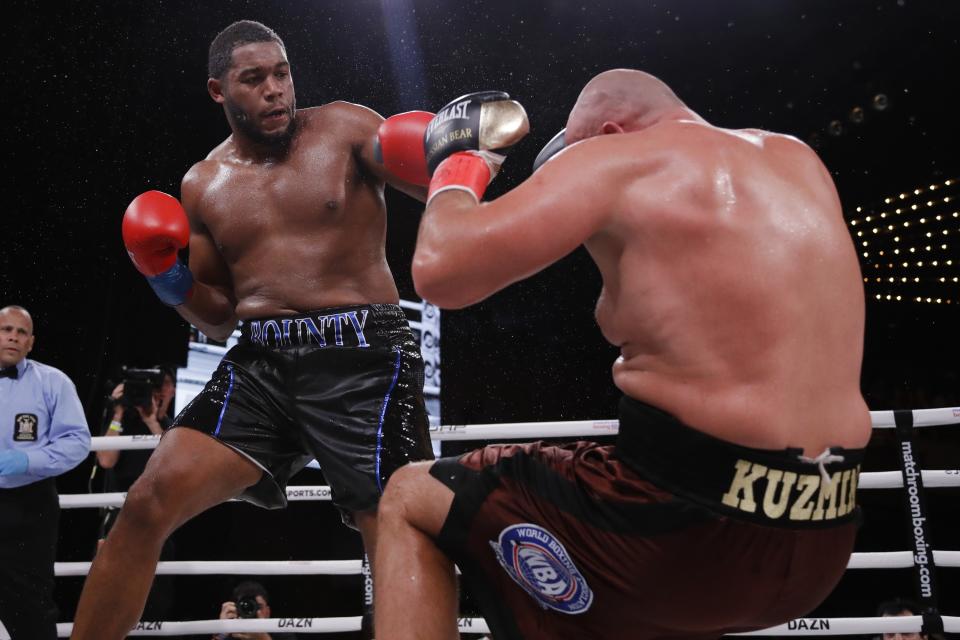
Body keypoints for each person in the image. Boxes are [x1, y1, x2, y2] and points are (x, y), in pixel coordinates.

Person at [373, 70, 873, 639]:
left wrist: (458, 162)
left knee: (411, 498)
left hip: (681, 532)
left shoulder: (622, 158)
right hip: (824, 538)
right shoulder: (798, 160)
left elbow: (442, 270)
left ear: (611, 130)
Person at [71, 20, 435, 639]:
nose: (275, 90)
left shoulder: (347, 126)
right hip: (260, 365)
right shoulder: (203, 184)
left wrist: (452, 149)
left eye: (282, 73)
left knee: (395, 530)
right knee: (145, 503)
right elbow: (215, 316)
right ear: (219, 91)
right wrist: (164, 274)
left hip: (364, 357)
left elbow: (432, 181)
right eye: (254, 78)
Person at [0, 305, 91, 639]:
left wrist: (28, 460)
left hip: (29, 504)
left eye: (21, 332)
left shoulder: (53, 382)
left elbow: (78, 442)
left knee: (29, 602)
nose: (13, 336)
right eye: (6, 329)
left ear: (31, 342)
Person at [95, 366, 178, 620]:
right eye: (152, 389)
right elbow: (106, 460)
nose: (155, 394)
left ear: (171, 392)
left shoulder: (173, 428)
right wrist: (117, 411)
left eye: (162, 387)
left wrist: (152, 420)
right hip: (119, 517)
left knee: (154, 599)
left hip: (158, 519)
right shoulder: (121, 423)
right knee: (108, 598)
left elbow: (175, 462)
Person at [213, 580, 295, 640]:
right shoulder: (230, 635)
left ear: (268, 612)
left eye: (258, 607)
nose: (253, 612)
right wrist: (221, 632)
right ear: (236, 609)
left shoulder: (282, 634)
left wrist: (264, 638)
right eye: (246, 607)